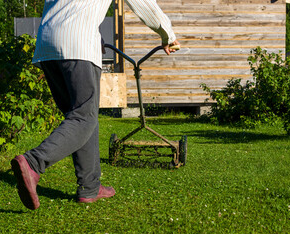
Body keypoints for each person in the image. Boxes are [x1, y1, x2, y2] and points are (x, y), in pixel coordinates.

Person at [11, 0, 180, 210]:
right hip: (77, 44)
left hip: (47, 44)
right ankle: (33, 163)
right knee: (83, 118)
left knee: (80, 118)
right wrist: (168, 35)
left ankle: (89, 187)